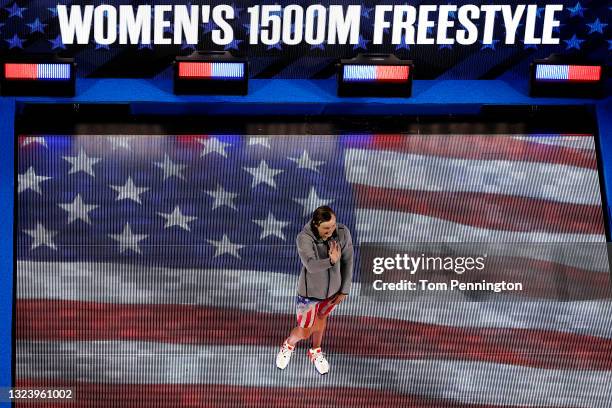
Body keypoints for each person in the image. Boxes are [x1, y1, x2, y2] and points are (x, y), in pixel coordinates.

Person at [276, 206, 354, 375]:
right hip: (309, 296)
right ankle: (288, 344)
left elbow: (348, 261)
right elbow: (310, 265)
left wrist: (344, 290)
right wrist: (331, 261)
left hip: (333, 292)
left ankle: (315, 351)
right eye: (326, 228)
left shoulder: (342, 232)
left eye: (333, 226)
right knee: (304, 331)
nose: (331, 231)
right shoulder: (304, 238)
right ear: (316, 224)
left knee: (321, 319)